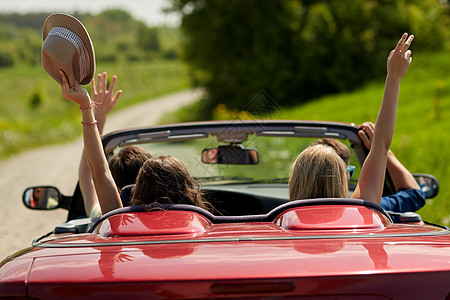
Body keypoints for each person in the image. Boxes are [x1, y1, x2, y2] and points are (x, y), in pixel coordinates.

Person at [60, 71, 212, 216]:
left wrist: (88, 108)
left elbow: (98, 172)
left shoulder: (117, 220)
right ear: (188, 190)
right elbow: (98, 172)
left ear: (136, 190)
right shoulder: (208, 226)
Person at [289, 33, 414, 206]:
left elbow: (382, 146)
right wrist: (394, 77)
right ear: (341, 179)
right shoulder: (359, 211)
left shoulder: (278, 223)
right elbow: (381, 145)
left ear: (295, 183)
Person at [78, 72, 154, 218]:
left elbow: (88, 176)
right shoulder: (183, 214)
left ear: (116, 188)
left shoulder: (107, 218)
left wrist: (98, 117)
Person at [312, 134, 425, 212]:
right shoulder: (362, 209)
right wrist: (385, 152)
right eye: (350, 172)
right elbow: (414, 195)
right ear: (343, 176)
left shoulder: (294, 214)